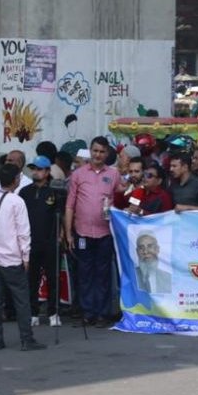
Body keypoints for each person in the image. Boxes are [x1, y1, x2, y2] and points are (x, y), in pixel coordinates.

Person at [0, 164, 46, 351]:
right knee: (22, 300)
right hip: (13, 258)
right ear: (15, 180)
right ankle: (26, 339)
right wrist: (26, 257)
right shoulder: (17, 202)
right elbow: (24, 233)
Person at [63, 137, 121, 328]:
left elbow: (122, 197)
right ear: (90, 151)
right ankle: (88, 313)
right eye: (95, 151)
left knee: (103, 274)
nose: (98, 155)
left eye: (102, 151)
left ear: (107, 154)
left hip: (105, 233)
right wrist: (68, 233)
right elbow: (70, 206)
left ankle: (103, 313)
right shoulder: (78, 174)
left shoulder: (114, 174)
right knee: (85, 273)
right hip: (82, 233)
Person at [20, 156, 62, 328]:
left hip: (50, 241)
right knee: (32, 279)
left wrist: (61, 236)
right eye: (33, 169)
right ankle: (33, 313)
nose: (35, 172)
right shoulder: (25, 192)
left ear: (47, 171)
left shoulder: (55, 190)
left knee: (53, 279)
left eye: (39, 169)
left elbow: (61, 215)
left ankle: (53, 313)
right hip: (31, 242)